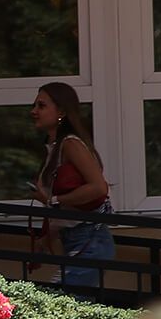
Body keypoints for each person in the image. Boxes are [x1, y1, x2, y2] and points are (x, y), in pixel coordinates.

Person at [31, 82, 115, 288]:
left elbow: (99, 187)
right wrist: (44, 240)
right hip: (73, 238)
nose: (33, 111)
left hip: (89, 238)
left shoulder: (70, 144)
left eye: (41, 106)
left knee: (60, 302)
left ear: (61, 111)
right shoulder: (53, 148)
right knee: (67, 304)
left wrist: (55, 200)